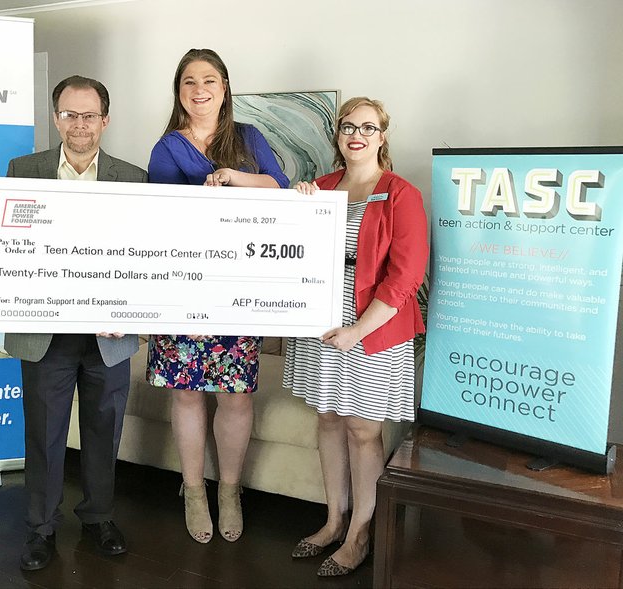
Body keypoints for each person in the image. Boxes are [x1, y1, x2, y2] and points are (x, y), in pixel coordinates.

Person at [0, 75, 147, 571]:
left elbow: (146, 254)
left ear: (105, 120)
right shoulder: (22, 171)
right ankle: (41, 527)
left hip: (108, 336)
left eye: (89, 115)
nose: (80, 125)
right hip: (44, 332)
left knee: (103, 429)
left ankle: (98, 517)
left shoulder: (133, 178)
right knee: (44, 434)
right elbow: (2, 235)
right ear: (56, 118)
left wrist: (132, 312)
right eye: (70, 114)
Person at [147, 48, 289, 544]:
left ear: (225, 86)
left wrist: (233, 178)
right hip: (184, 289)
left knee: (235, 397)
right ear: (179, 91)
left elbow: (281, 188)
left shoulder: (248, 139)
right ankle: (192, 491)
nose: (200, 89)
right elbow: (162, 228)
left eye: (210, 80)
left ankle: (229, 490)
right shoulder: (167, 148)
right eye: (189, 81)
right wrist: (190, 303)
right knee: (188, 394)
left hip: (237, 289)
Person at [283, 97, 428, 577]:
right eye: (348, 126)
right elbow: (287, 249)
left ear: (383, 136)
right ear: (338, 136)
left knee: (363, 429)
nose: (356, 134)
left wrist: (359, 329)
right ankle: (332, 520)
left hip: (372, 326)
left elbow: (405, 277)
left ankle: (360, 532)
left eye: (368, 126)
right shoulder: (320, 188)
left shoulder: (400, 193)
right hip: (322, 322)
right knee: (327, 419)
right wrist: (295, 209)